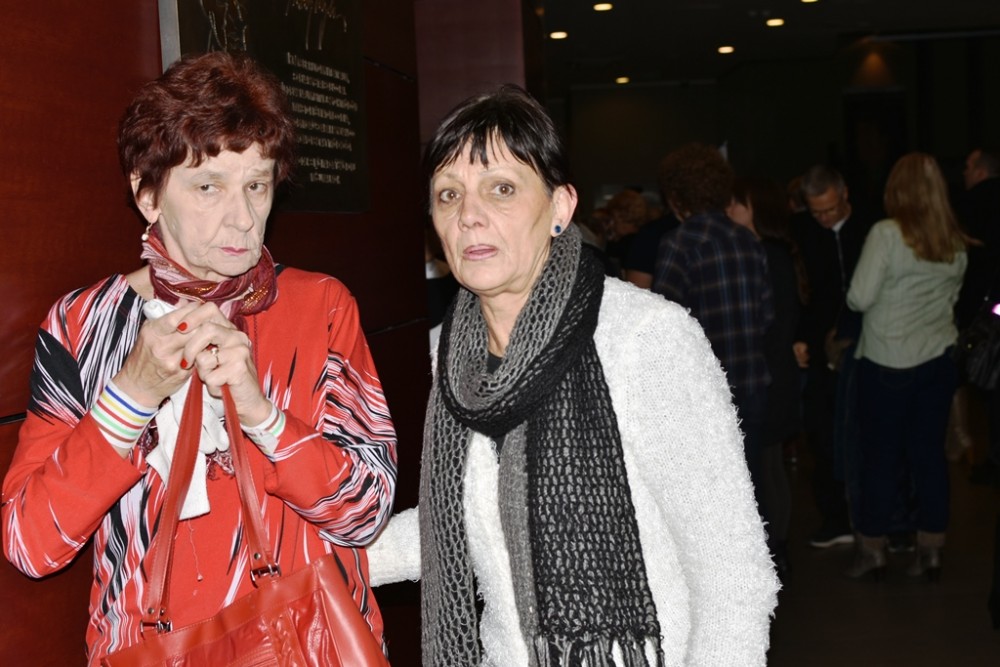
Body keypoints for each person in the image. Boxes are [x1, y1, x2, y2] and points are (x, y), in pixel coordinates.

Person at [0, 52, 397, 664]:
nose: (242, 218)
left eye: (256, 186)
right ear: (148, 194)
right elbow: (32, 544)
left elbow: (365, 513)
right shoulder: (82, 324)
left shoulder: (319, 307)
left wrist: (263, 416)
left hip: (307, 643)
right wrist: (132, 395)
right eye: (208, 186)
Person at [368, 85, 778, 665]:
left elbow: (733, 577)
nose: (469, 215)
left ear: (560, 208)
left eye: (501, 189)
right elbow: (459, 523)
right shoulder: (446, 356)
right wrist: (305, 560)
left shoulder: (644, 340)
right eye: (448, 194)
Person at [844, 152, 969, 581]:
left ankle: (872, 550)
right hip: (938, 359)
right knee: (929, 456)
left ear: (895, 190)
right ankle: (931, 549)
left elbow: (859, 297)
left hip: (888, 360)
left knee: (880, 458)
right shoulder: (954, 239)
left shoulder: (887, 234)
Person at [653, 143, 775, 520]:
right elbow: (766, 316)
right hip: (752, 383)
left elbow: (665, 323)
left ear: (677, 197)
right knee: (750, 488)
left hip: (702, 390)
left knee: (709, 499)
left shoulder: (678, 243)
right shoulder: (749, 241)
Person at [728, 175, 808, 580]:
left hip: (770, 372)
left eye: (737, 203)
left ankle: (775, 549)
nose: (729, 210)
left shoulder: (767, 254)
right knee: (769, 461)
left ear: (755, 208)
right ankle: (777, 548)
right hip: (773, 370)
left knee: (768, 462)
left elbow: (776, 322)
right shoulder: (769, 251)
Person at [794, 164, 874, 548]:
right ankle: (835, 518)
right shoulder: (802, 232)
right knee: (823, 432)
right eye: (816, 212)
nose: (824, 218)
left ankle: (880, 520)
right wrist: (799, 337)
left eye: (830, 209)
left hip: (870, 343)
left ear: (845, 196)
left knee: (871, 432)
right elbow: (800, 290)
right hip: (820, 344)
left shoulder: (872, 227)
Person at [955, 147, 1000, 487]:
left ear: (982, 171)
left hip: (986, 312)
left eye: (969, 166)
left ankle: (992, 460)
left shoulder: (974, 204)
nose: (964, 173)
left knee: (987, 384)